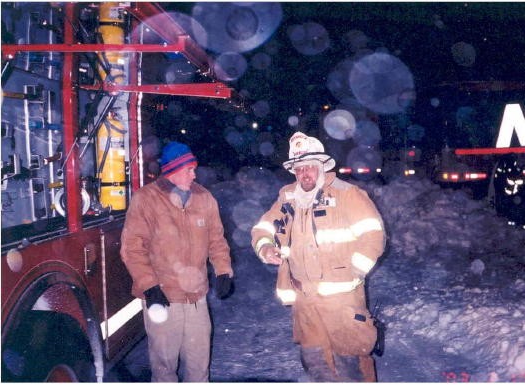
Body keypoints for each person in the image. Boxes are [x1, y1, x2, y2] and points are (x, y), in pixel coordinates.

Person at [251, 132, 386, 382]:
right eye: (299, 168)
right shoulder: (288, 198)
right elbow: (264, 228)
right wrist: (266, 247)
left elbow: (373, 236)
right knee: (316, 364)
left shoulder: (347, 195)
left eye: (310, 167)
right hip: (305, 303)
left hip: (341, 303)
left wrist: (352, 273)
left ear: (322, 167)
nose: (305, 174)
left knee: (351, 365)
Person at [121, 141, 233, 382]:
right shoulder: (146, 199)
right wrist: (150, 287)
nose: (195, 174)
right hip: (162, 296)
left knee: (199, 363)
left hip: (196, 298)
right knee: (164, 366)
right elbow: (132, 248)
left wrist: (223, 271)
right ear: (173, 170)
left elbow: (217, 240)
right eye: (189, 169)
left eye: (194, 169)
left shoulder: (204, 198)